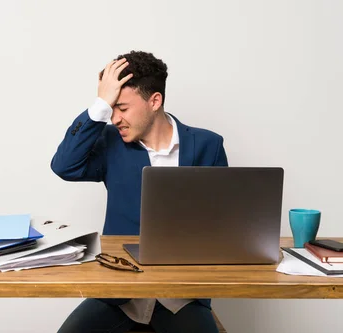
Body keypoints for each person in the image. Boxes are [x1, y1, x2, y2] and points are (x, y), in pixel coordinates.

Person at [50, 50, 227, 333]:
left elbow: (224, 221)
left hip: (180, 296)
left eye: (122, 107)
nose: (114, 118)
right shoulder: (110, 143)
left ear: (154, 100)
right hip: (120, 294)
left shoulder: (208, 145)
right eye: (112, 109)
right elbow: (64, 166)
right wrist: (100, 104)